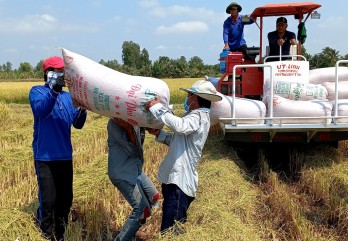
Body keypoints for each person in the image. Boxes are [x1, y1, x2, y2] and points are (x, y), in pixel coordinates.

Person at [145, 80, 222, 233]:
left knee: (172, 231)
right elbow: (177, 141)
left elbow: (180, 126)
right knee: (172, 227)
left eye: (189, 95)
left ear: (195, 97)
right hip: (175, 181)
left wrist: (157, 107)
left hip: (179, 183)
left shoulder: (199, 116)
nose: (187, 98)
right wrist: (160, 134)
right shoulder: (194, 116)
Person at [29, 56, 87, 240]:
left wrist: (82, 109)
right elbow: (42, 111)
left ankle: (60, 235)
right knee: (48, 202)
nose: (61, 75)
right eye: (57, 71)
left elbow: (77, 124)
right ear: (47, 73)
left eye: (63, 72)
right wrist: (53, 90)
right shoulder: (37, 92)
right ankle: (45, 235)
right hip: (45, 157)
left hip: (64, 156)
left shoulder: (68, 97)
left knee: (65, 201)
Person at [107, 117, 160, 241]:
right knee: (142, 210)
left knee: (154, 197)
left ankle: (133, 228)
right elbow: (133, 151)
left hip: (135, 169)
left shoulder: (134, 119)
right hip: (122, 172)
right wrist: (129, 130)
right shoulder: (114, 123)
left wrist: (146, 126)